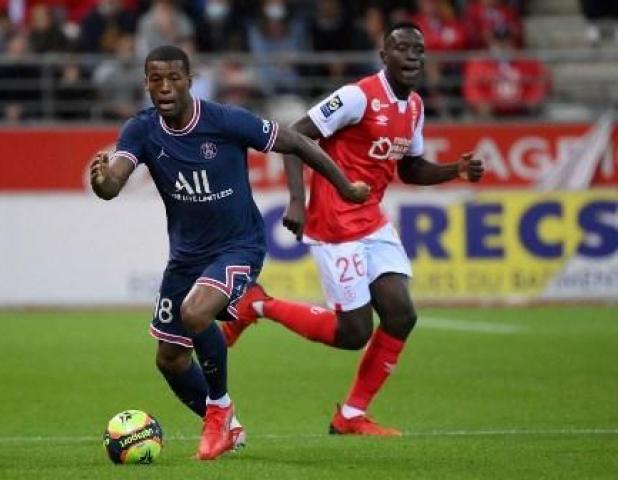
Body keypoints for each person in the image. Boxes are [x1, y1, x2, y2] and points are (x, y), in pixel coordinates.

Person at [89, 45, 370, 460]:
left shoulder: (225, 120)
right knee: (170, 358)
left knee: (196, 312)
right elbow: (113, 183)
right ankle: (229, 428)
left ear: (190, 80)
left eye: (173, 78)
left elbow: (296, 142)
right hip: (186, 257)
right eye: (154, 79)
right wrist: (101, 181)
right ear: (146, 82)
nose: (164, 87)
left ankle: (219, 413)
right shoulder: (141, 130)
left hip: (239, 245)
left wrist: (343, 187)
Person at [221, 22, 485, 436]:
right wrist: (297, 200)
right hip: (335, 221)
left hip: (371, 218)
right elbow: (292, 137)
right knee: (353, 333)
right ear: (384, 55)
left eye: (419, 50)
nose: (413, 56)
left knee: (401, 314)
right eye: (402, 48)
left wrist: (457, 169)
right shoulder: (356, 96)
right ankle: (257, 303)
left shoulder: (414, 106)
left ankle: (351, 416)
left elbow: (411, 168)